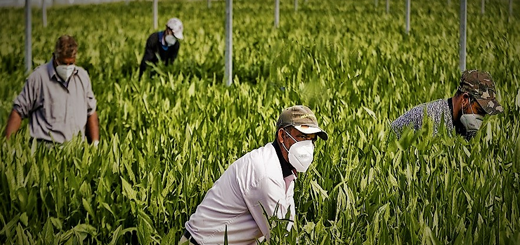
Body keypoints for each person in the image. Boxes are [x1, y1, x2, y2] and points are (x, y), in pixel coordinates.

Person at [179, 105, 328, 245]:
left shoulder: (283, 168)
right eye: (302, 137)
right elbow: (281, 237)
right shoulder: (266, 175)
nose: (308, 146)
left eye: (312, 139)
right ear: (282, 135)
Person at [4, 35, 99, 145]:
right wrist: (8, 144)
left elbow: (91, 112)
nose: (67, 67)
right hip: (46, 149)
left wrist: (95, 143)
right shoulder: (38, 78)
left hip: (76, 150)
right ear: (55, 57)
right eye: (63, 63)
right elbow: (18, 111)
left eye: (71, 63)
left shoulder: (82, 77)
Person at [391, 70, 504, 140]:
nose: (481, 118)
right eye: (479, 111)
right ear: (465, 99)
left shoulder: (467, 128)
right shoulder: (429, 116)